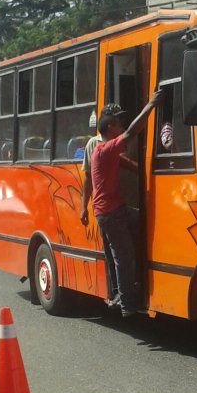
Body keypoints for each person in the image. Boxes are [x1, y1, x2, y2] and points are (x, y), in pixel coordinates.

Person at [90, 91, 162, 318]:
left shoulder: (105, 151)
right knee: (124, 255)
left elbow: (128, 164)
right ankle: (127, 303)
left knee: (142, 221)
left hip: (114, 209)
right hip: (110, 213)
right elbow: (132, 132)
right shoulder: (104, 149)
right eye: (118, 122)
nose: (122, 124)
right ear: (110, 127)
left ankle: (124, 291)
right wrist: (150, 104)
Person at [80, 103, 123, 309]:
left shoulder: (120, 139)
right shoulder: (95, 145)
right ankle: (116, 292)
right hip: (105, 207)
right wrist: (83, 207)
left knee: (121, 251)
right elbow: (88, 178)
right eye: (116, 120)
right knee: (113, 251)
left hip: (121, 201)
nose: (120, 124)